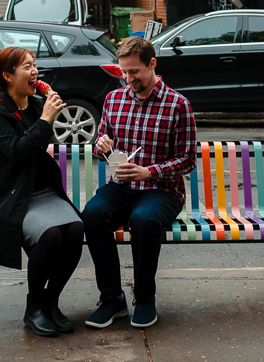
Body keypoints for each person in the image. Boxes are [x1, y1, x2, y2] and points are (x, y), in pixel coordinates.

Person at [81, 36, 197, 329]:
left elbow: (188, 160)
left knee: (143, 220)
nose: (128, 78)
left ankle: (144, 299)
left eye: (134, 72)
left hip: (162, 190)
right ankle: (112, 300)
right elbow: (101, 145)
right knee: (92, 214)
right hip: (122, 185)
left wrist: (150, 172)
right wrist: (103, 145)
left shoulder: (178, 105)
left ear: (152, 65)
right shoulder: (114, 99)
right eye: (124, 72)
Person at [0, 47, 84, 337]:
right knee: (51, 235)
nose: (35, 72)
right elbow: (17, 153)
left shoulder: (36, 103)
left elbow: (42, 142)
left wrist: (47, 114)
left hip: (43, 189)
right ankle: (33, 307)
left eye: (35, 65)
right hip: (13, 195)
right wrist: (45, 120)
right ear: (8, 76)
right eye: (27, 67)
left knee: (74, 230)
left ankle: (51, 300)